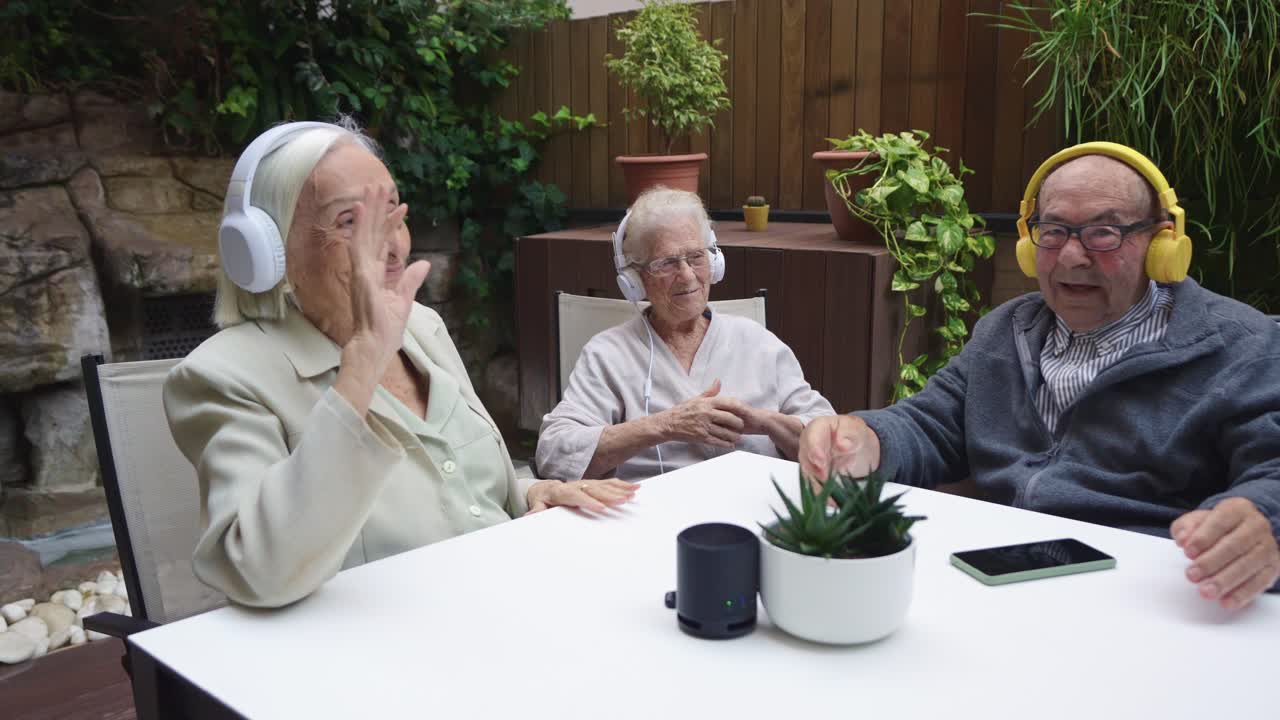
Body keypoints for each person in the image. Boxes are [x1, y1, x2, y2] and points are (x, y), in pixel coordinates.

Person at [164, 120, 635, 608]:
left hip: (506, 600)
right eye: (350, 221)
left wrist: (530, 492)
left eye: (392, 212)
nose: (390, 245)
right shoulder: (223, 377)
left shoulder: (422, 328)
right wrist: (363, 361)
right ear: (266, 252)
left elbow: (451, 483)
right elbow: (259, 572)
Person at [799, 142, 1280, 610]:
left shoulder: (1242, 345)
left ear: (1161, 243)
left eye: (1104, 233)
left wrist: (1261, 517)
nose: (1072, 256)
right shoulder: (1005, 329)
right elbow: (933, 425)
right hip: (999, 582)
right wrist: (866, 439)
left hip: (1150, 598)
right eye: (1053, 230)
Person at [536, 187, 834, 481]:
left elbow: (831, 439)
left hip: (754, 507)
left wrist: (765, 422)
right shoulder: (608, 354)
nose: (688, 276)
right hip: (648, 515)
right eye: (666, 263)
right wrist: (664, 426)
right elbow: (555, 454)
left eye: (695, 257)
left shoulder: (758, 343)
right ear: (635, 278)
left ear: (715, 262)